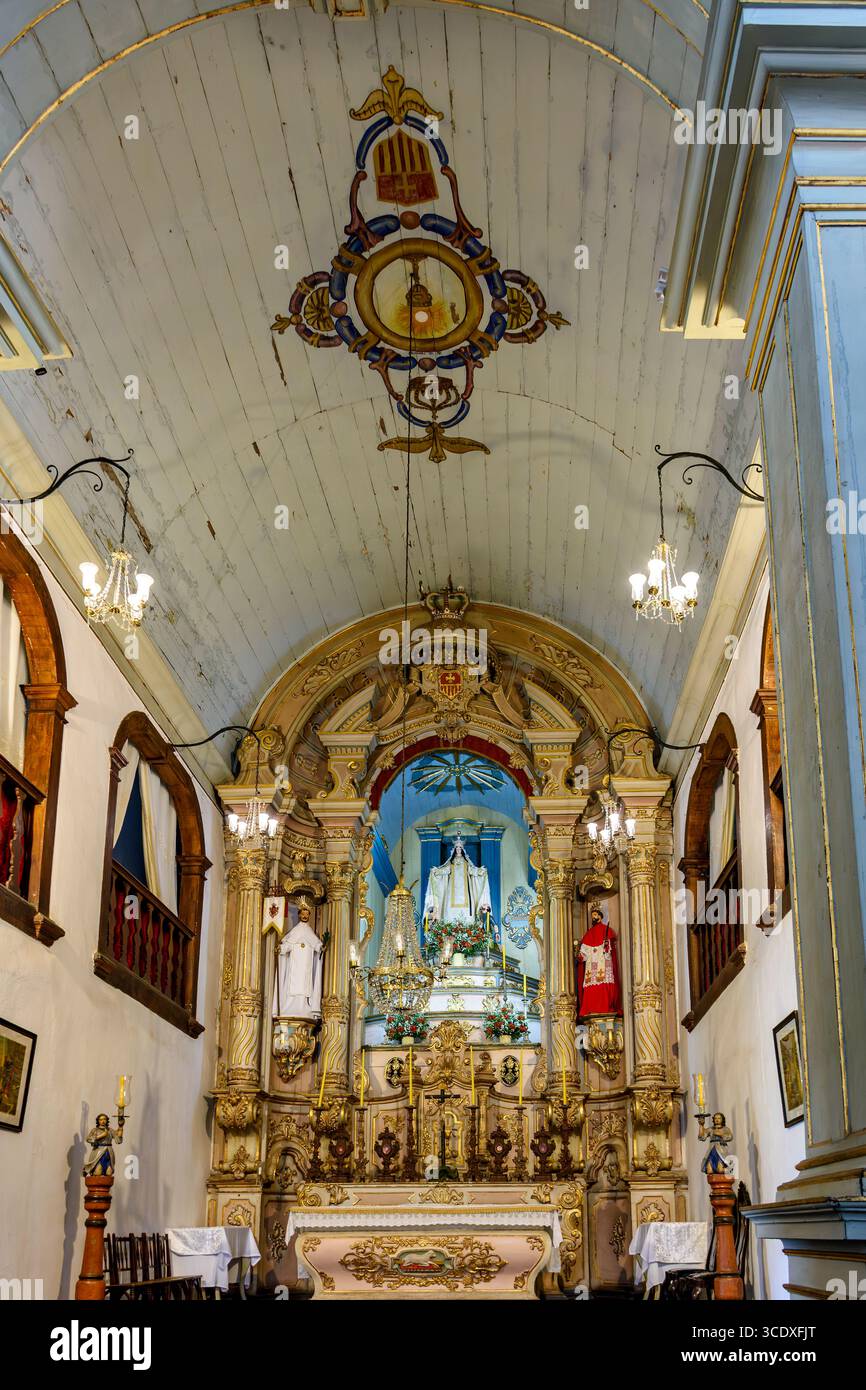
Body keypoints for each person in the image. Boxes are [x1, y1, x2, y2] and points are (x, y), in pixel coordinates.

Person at [423, 835, 491, 926]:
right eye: (457, 848)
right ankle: (448, 927)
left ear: (462, 849)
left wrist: (480, 872)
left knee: (467, 910)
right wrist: (436, 871)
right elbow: (445, 870)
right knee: (449, 908)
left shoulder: (466, 862)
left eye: (460, 848)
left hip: (465, 893)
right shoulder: (451, 863)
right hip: (452, 892)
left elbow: (472, 870)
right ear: (454, 849)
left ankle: (468, 926)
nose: (458, 849)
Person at [576, 900, 623, 1018]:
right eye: (592, 915)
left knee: (604, 982)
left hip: (603, 963)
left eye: (596, 915)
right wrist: (580, 956)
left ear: (600, 917)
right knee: (591, 985)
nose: (594, 917)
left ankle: (606, 1006)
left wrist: (606, 947)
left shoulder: (607, 931)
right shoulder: (588, 935)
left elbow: (609, 952)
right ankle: (590, 1008)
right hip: (591, 966)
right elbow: (584, 954)